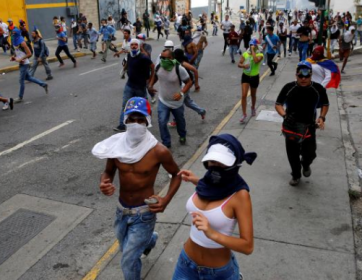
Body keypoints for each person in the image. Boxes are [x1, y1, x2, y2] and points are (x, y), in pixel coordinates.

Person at [92, 97, 182, 280]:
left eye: (140, 119)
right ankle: (150, 240)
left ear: (147, 121)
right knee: (125, 247)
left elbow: (177, 175)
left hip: (144, 213)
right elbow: (108, 171)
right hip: (121, 210)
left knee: (128, 259)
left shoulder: (159, 151)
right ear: (125, 120)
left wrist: (166, 200)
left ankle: (146, 241)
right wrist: (104, 182)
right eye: (131, 119)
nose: (136, 124)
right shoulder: (116, 146)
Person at [172, 134, 255, 280]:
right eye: (212, 161)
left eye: (222, 163)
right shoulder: (208, 182)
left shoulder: (240, 195)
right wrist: (195, 180)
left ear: (234, 164)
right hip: (186, 263)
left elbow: (247, 246)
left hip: (217, 273)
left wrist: (212, 233)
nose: (215, 167)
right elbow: (216, 190)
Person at [275, 61, 329, 186]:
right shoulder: (288, 88)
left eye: (307, 76)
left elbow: (325, 104)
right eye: (300, 76)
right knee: (292, 153)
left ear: (311, 75)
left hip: (309, 127)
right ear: (296, 75)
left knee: (310, 153)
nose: (303, 79)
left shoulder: (318, 89)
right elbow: (278, 104)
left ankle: (305, 164)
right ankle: (296, 175)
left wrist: (321, 117)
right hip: (291, 126)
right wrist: (284, 115)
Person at [148, 49, 192, 148]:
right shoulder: (159, 66)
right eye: (161, 58)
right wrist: (150, 85)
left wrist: (181, 93)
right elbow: (155, 76)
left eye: (165, 58)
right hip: (163, 100)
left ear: (172, 58)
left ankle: (182, 135)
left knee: (180, 121)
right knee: (162, 121)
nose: (163, 60)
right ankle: (166, 142)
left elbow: (189, 82)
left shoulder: (179, 69)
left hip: (177, 102)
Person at [114, 39, 154, 132]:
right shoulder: (129, 55)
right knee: (125, 105)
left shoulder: (144, 57)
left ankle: (147, 121)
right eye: (132, 45)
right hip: (129, 85)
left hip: (140, 87)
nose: (134, 46)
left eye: (136, 45)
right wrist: (123, 71)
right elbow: (128, 64)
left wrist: (150, 83)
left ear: (139, 46)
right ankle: (122, 125)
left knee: (143, 105)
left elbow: (153, 67)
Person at [10, 28, 48, 103]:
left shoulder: (22, 42)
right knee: (28, 77)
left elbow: (29, 53)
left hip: (24, 63)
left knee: (21, 80)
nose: (13, 35)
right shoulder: (15, 40)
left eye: (14, 34)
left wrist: (20, 59)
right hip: (21, 62)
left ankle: (20, 97)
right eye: (12, 34)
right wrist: (14, 56)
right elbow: (17, 51)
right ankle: (43, 84)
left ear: (17, 34)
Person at [238, 38, 264, 122]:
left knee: (253, 95)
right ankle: (244, 113)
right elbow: (239, 63)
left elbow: (256, 61)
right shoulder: (245, 54)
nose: (252, 47)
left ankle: (253, 107)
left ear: (257, 46)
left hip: (254, 77)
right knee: (244, 95)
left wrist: (253, 50)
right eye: (251, 45)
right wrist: (243, 66)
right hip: (245, 76)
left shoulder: (260, 54)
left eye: (253, 45)